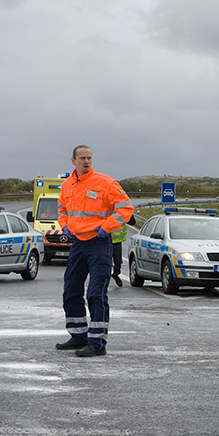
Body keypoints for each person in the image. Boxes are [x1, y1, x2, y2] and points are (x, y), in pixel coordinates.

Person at [56, 145, 134, 357]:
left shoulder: (105, 183)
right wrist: (64, 225)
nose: (86, 161)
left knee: (95, 292)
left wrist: (106, 227)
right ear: (73, 161)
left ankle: (97, 342)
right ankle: (78, 335)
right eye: (82, 158)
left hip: (98, 243)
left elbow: (126, 208)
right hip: (78, 243)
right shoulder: (67, 185)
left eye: (89, 158)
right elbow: (62, 209)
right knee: (71, 290)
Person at [111, 213, 136, 287]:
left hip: (117, 241)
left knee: (118, 262)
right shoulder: (106, 209)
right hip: (104, 240)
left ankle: (115, 274)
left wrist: (128, 213)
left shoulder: (122, 211)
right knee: (104, 262)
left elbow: (132, 222)